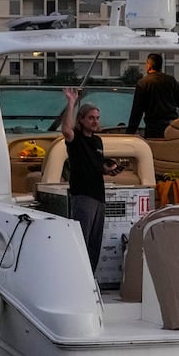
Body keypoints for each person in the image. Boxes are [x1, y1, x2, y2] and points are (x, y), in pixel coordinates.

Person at [60, 87, 117, 265]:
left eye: (97, 118)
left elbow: (95, 165)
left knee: (94, 244)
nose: (95, 121)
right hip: (83, 195)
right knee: (81, 242)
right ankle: (78, 276)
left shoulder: (97, 140)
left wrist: (108, 170)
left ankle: (90, 278)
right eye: (91, 118)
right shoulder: (75, 138)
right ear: (81, 119)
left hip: (99, 196)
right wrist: (71, 102)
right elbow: (66, 129)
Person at [125, 53, 179, 140]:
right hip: (172, 129)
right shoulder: (171, 80)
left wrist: (129, 134)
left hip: (153, 130)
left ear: (149, 66)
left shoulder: (143, 83)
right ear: (160, 66)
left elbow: (136, 112)